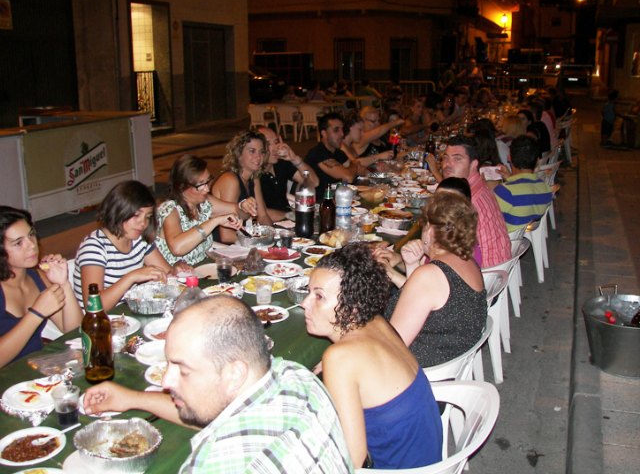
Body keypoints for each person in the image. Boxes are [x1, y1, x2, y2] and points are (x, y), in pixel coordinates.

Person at [83, 296, 353, 473]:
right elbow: (216, 412)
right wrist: (132, 399)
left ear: (234, 374)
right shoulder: (295, 375)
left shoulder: (217, 462)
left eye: (183, 370)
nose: (166, 381)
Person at [302, 243, 442, 469]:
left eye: (319, 296)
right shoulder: (376, 321)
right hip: (429, 462)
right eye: (308, 292)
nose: (304, 303)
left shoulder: (340, 358)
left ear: (353, 306)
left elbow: (351, 461)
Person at [389, 191, 487, 367]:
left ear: (431, 231)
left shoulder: (429, 276)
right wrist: (412, 265)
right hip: (448, 357)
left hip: (418, 367)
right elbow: (431, 307)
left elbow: (393, 345)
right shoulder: (468, 262)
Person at [73, 181, 177, 311]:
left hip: (128, 313)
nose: (143, 223)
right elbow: (94, 307)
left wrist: (177, 270)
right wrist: (131, 277)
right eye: (136, 215)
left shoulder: (139, 240)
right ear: (118, 210)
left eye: (148, 217)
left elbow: (168, 274)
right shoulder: (94, 247)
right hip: (99, 324)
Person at [0, 206, 82, 367]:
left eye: (31, 235)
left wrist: (63, 283)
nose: (32, 245)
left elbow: (74, 329)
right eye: (18, 243)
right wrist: (36, 313)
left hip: (34, 369)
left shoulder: (36, 276)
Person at [155, 154, 245, 266]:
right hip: (176, 275)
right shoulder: (169, 210)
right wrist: (214, 221)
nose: (207, 189)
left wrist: (242, 206)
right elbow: (177, 248)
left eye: (208, 181)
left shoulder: (203, 202)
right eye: (200, 185)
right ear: (182, 187)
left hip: (202, 268)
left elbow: (239, 212)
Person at [441, 136, 511, 268]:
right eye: (445, 157)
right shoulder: (478, 185)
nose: (447, 164)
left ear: (473, 165)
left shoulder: (465, 199)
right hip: (499, 264)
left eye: (457, 159)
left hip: (484, 271)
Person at [211, 130, 273, 243]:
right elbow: (226, 235)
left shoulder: (254, 178)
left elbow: (263, 216)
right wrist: (258, 241)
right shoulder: (230, 180)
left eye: (262, 152)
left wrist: (272, 236)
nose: (258, 157)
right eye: (252, 151)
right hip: (222, 247)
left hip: (241, 241)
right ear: (238, 154)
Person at [494, 135, 554, 232]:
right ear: (537, 161)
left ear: (509, 158)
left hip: (503, 239)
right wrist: (510, 178)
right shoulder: (546, 189)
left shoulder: (504, 192)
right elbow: (525, 193)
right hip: (521, 238)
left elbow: (485, 218)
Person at [258, 127, 319, 221]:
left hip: (288, 221)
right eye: (268, 144)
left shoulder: (281, 163)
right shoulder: (253, 174)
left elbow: (314, 182)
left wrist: (294, 158)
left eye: (276, 142)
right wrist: (290, 215)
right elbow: (258, 213)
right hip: (268, 226)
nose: (275, 148)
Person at [305, 112, 361, 199]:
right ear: (324, 133)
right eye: (336, 130)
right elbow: (348, 177)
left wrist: (354, 167)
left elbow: (360, 170)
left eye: (342, 130)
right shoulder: (318, 153)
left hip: (335, 199)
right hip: (317, 204)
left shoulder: (338, 153)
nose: (342, 134)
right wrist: (354, 163)